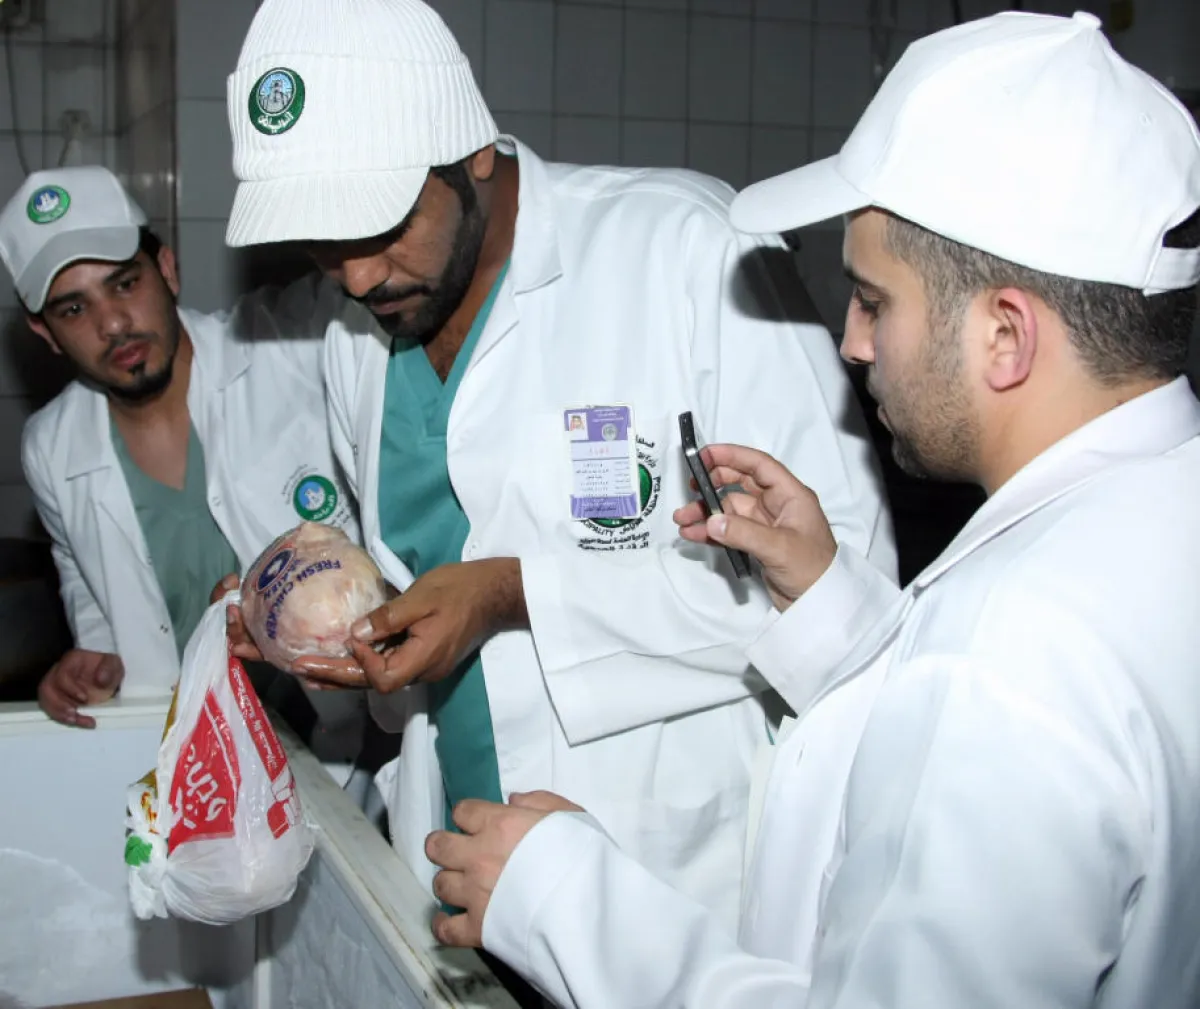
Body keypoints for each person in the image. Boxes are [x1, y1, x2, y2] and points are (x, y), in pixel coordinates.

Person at [421, 12, 1200, 1008]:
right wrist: (832, 607)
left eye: (875, 301)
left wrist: (563, 896)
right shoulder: (1156, 506)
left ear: (1005, 334)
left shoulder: (1003, 657)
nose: (851, 342)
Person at [221, 0, 896, 929]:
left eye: (382, 224)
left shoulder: (688, 249)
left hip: (669, 883)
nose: (359, 275)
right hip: (456, 866)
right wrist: (336, 624)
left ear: (473, 152)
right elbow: (428, 577)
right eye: (322, 245)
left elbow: (847, 591)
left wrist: (512, 592)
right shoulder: (355, 340)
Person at [1, 166, 361, 735]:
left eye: (125, 284)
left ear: (167, 270)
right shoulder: (51, 446)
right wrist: (95, 657)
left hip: (335, 734)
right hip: (189, 748)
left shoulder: (285, 347)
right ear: (45, 333)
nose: (113, 323)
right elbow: (85, 579)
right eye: (73, 309)